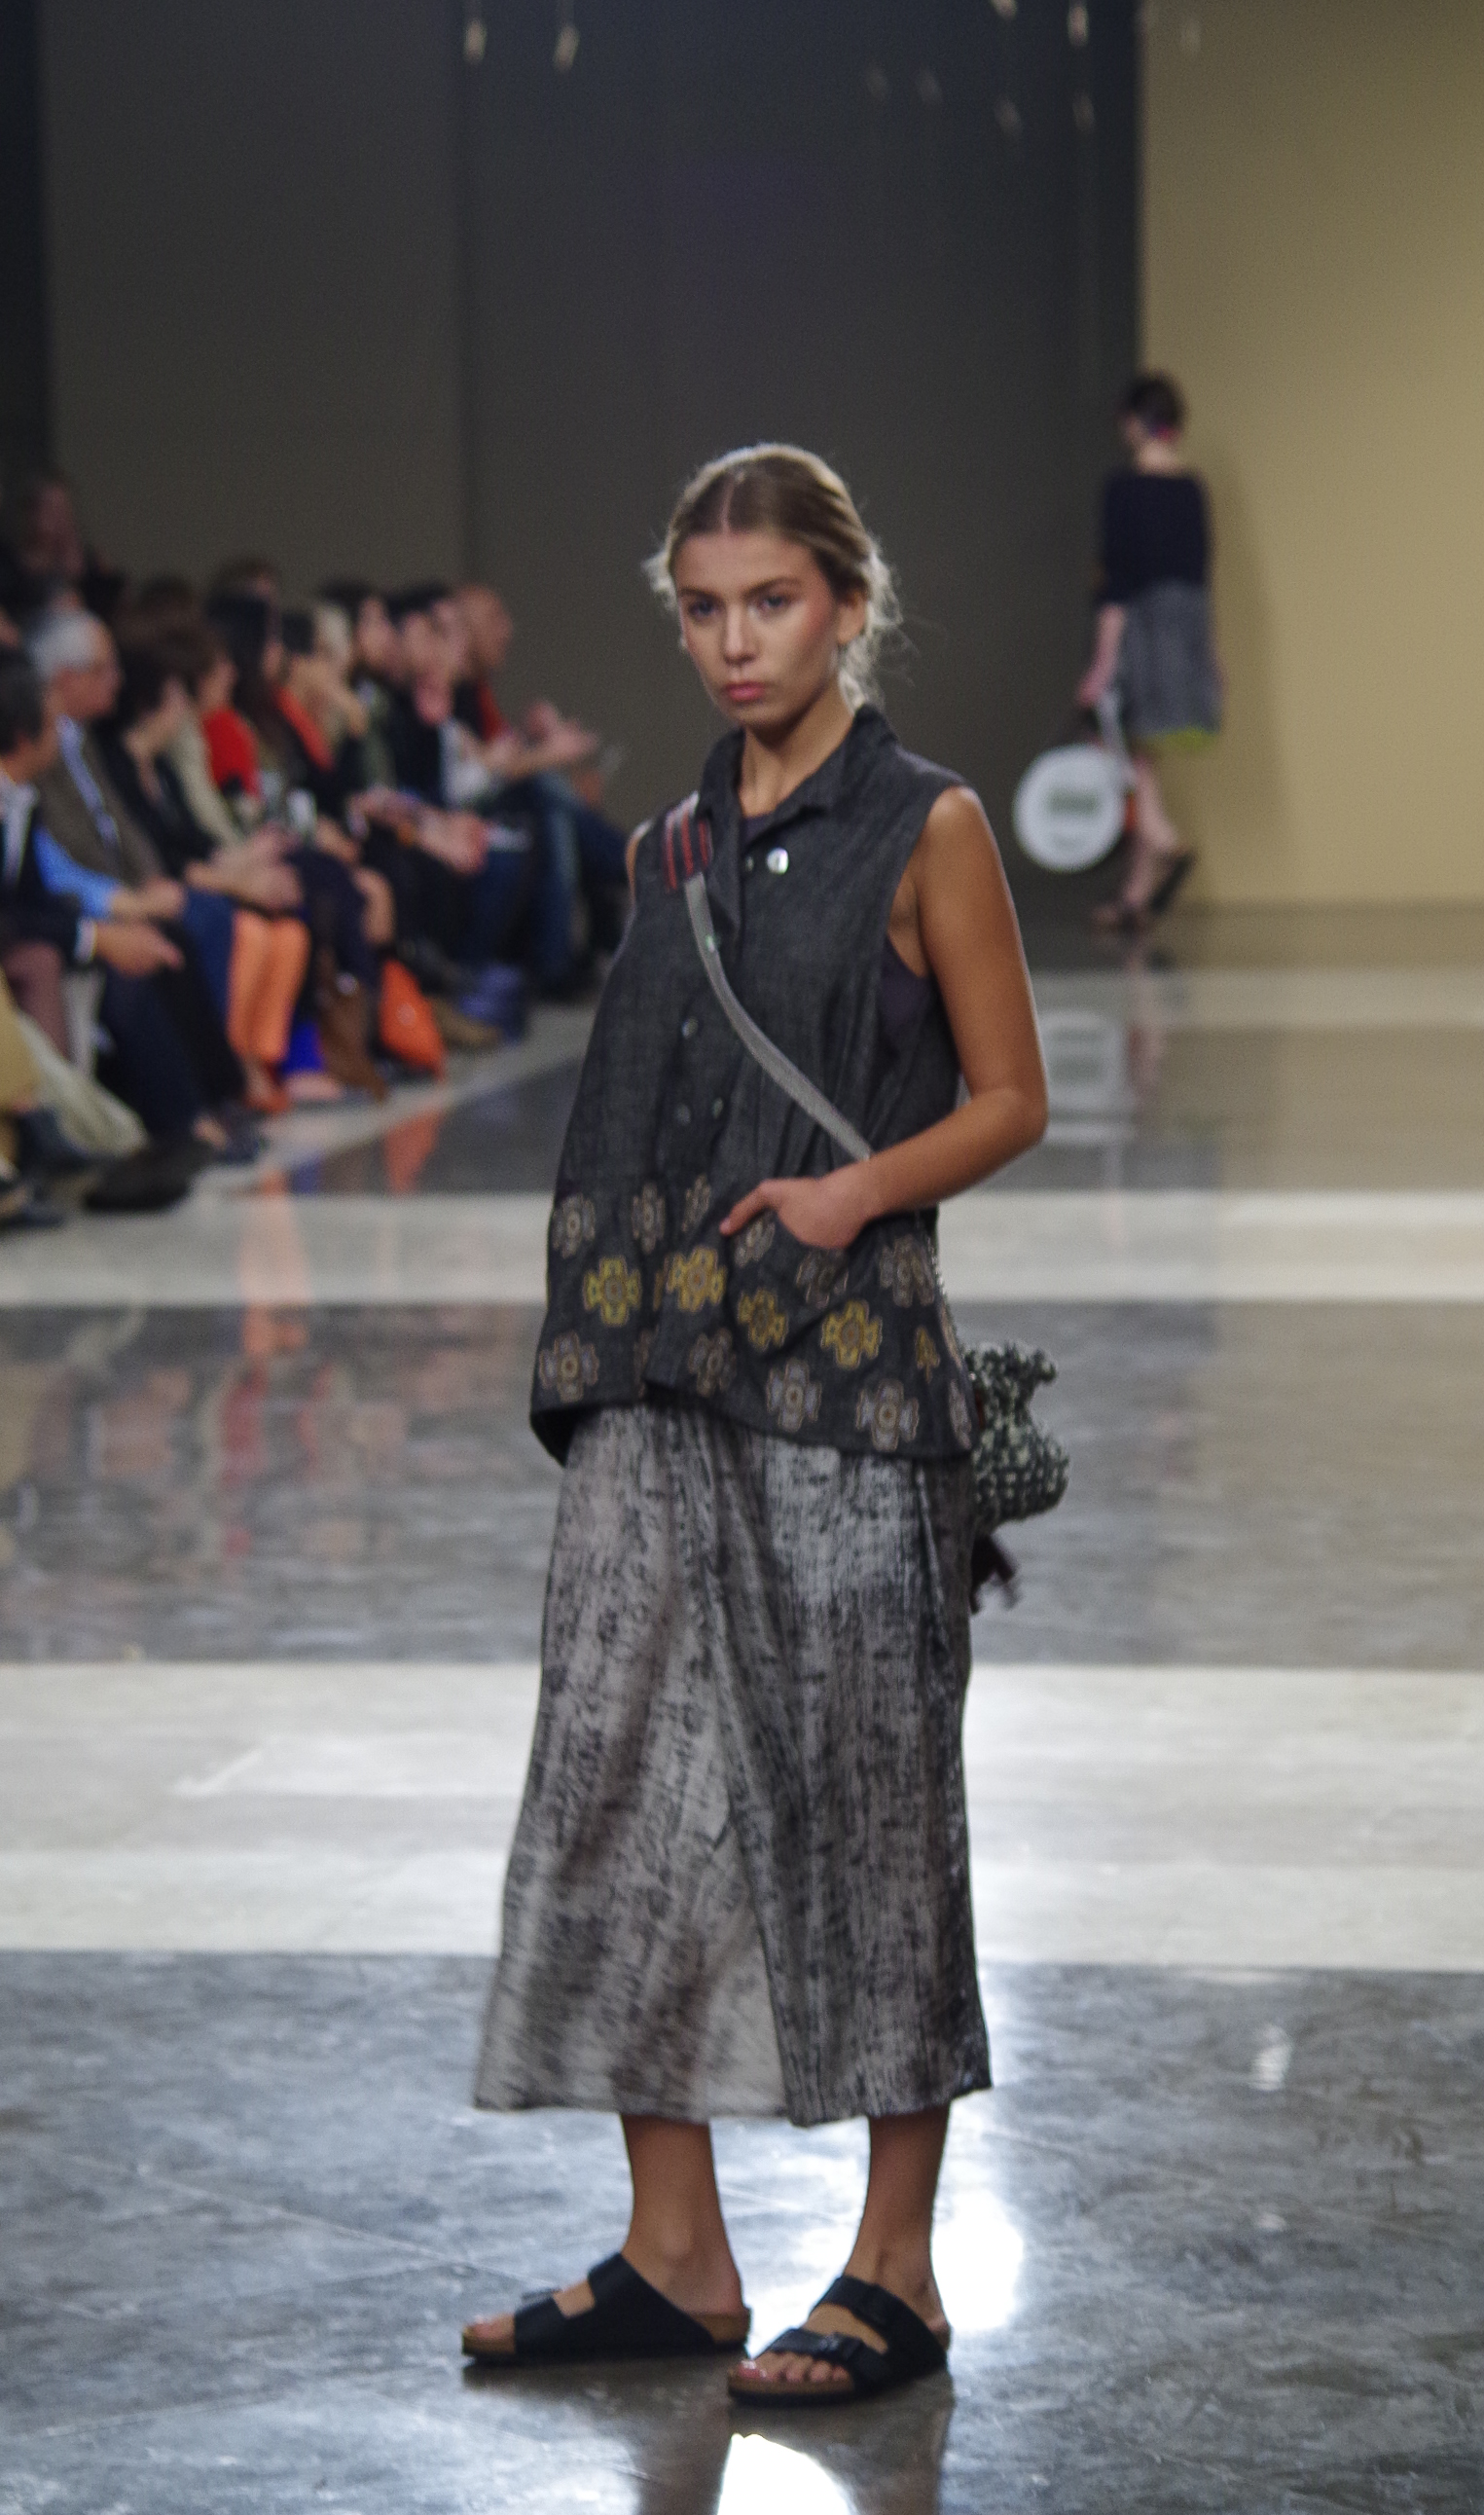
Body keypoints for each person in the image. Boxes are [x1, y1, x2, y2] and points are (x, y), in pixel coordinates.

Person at [462, 445, 1048, 2404]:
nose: (734, 641)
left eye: (771, 601)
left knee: (869, 1802)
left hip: (852, 1385)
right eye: (704, 607)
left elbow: (1010, 1092)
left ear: (846, 606)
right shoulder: (667, 851)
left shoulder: (929, 823)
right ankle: (676, 2248)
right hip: (663, 1383)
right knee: (625, 1789)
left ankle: (898, 2266)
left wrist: (854, 1189)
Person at [1078, 372, 1223, 929]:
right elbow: (1200, 575)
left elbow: (1117, 583)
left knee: (1121, 737)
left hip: (1142, 626)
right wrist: (1211, 654)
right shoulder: (1191, 489)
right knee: (1144, 750)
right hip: (1187, 627)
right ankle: (1136, 897)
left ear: (1135, 422)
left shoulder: (1124, 489)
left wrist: (1102, 662)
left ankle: (1161, 836)